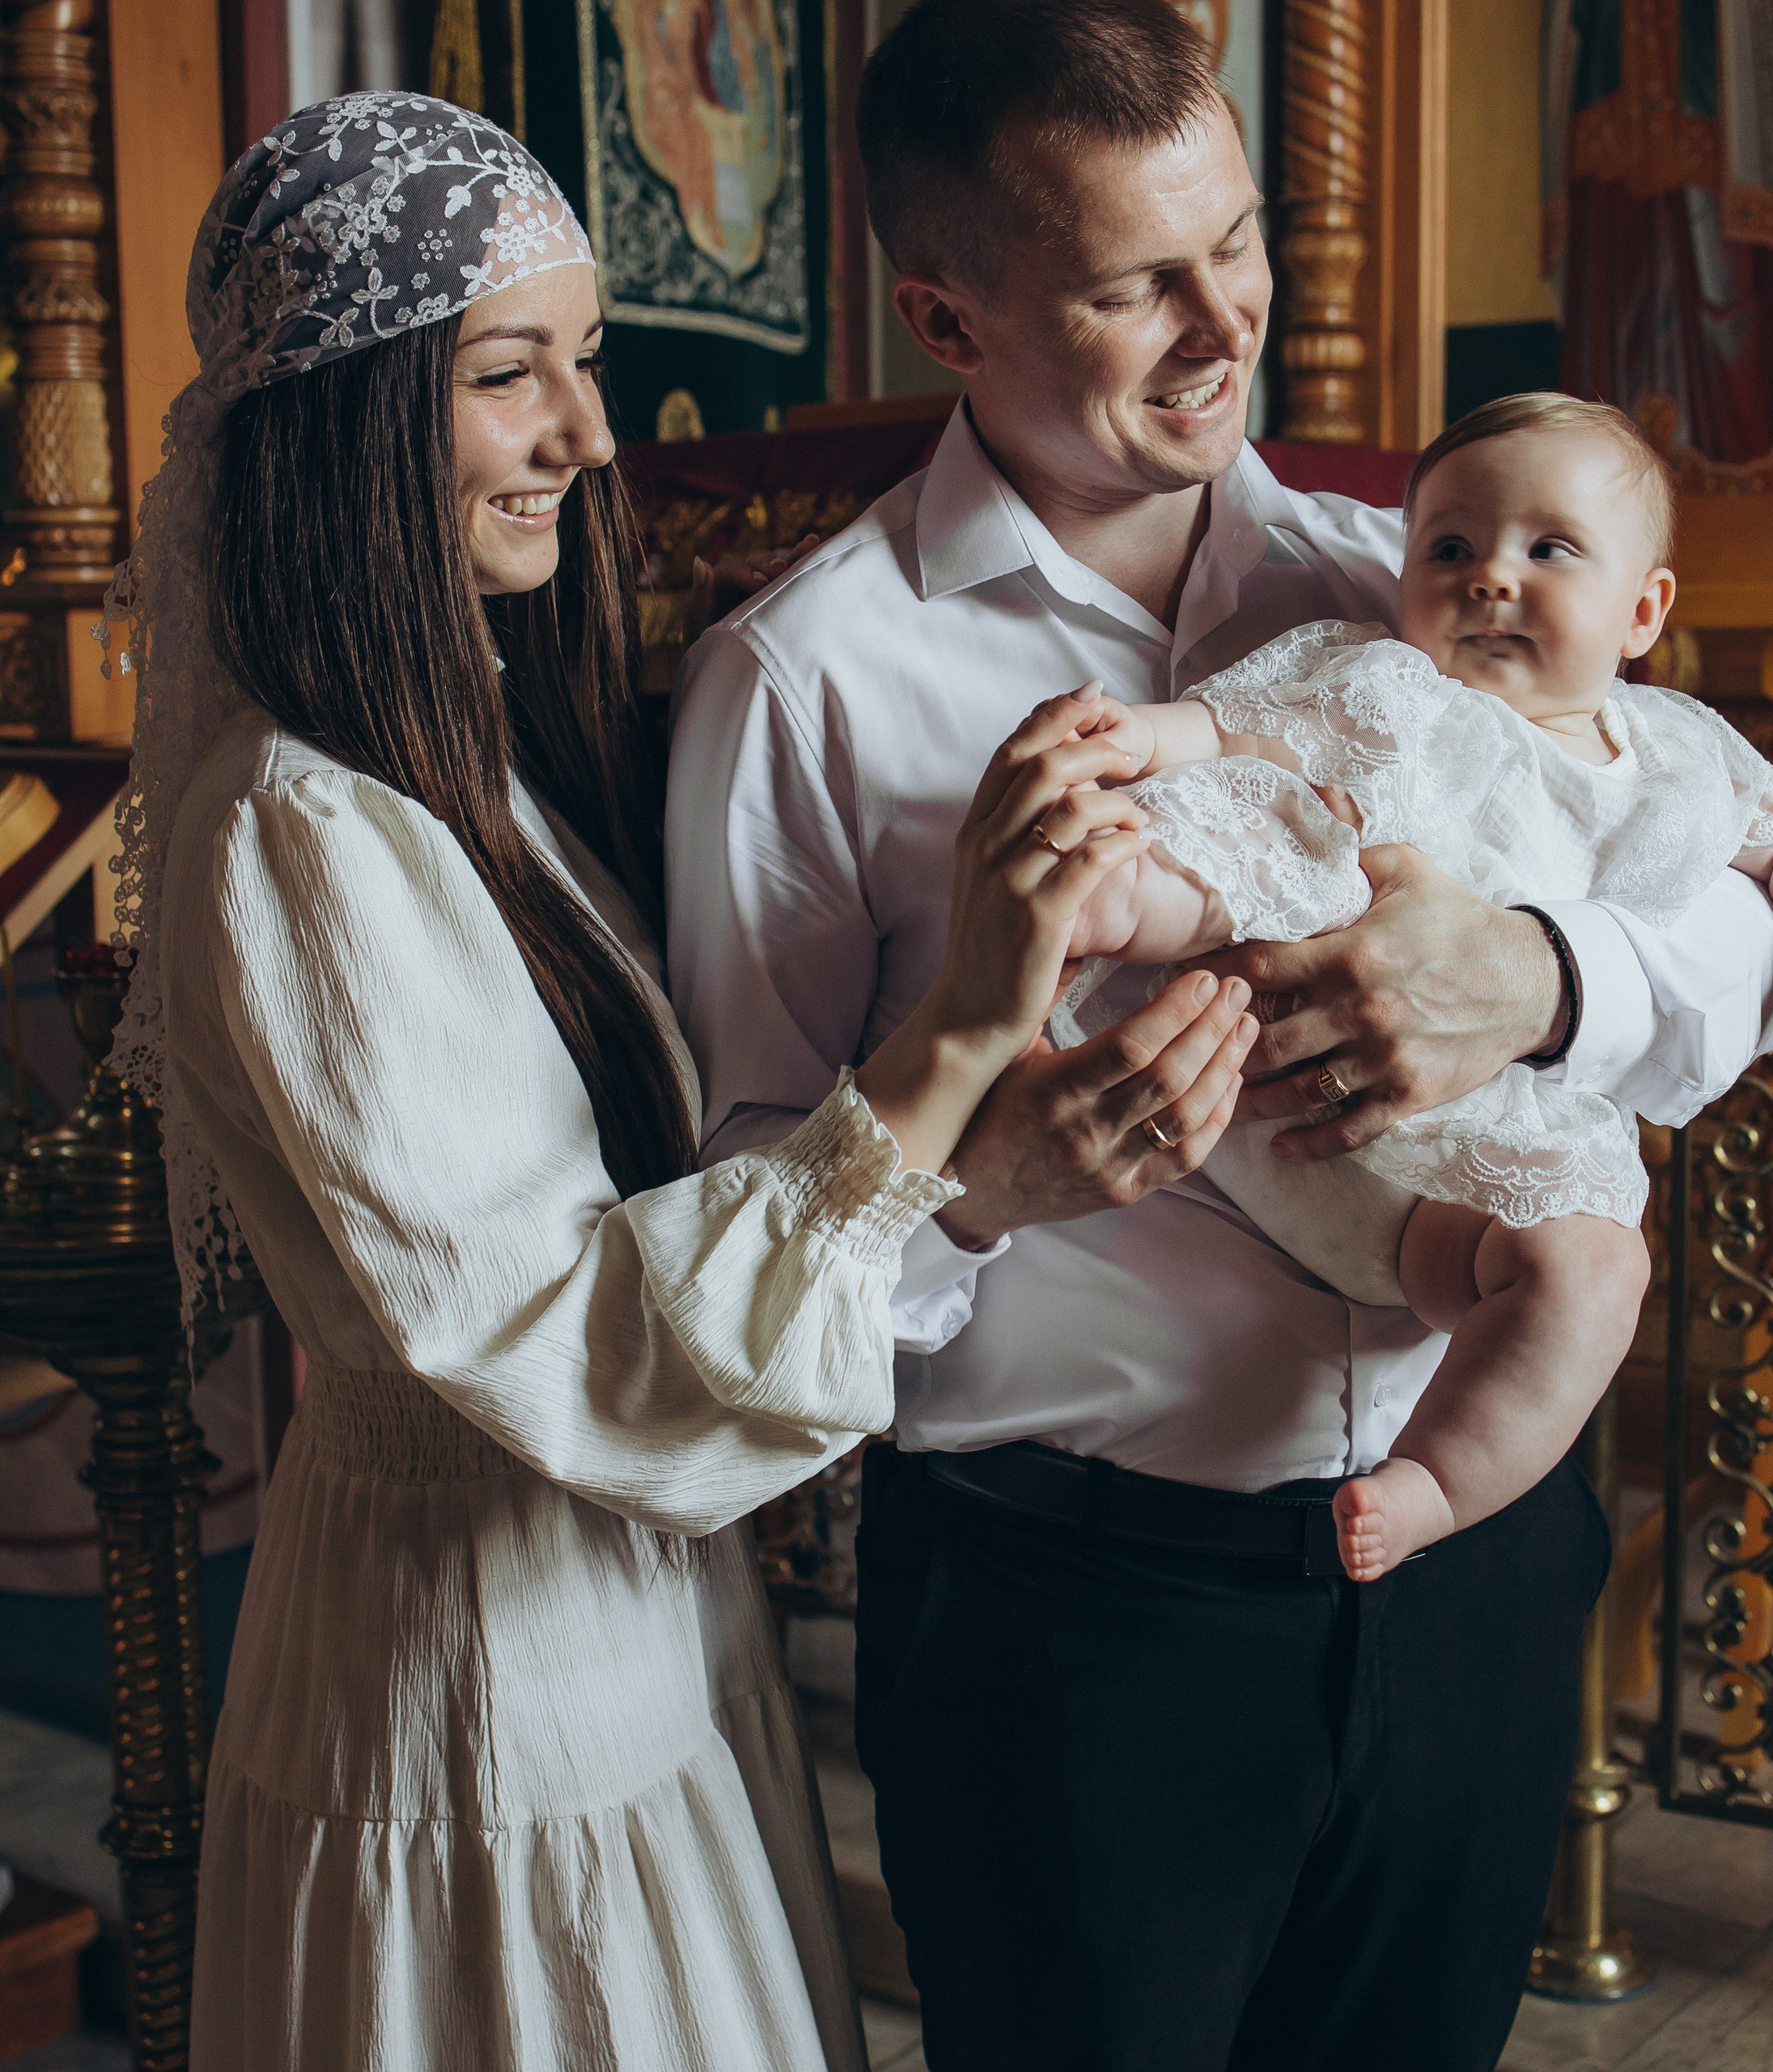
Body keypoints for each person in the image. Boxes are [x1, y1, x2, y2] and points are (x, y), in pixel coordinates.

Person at [667, 5, 1773, 2067]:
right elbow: (740, 1246)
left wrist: (1550, 978)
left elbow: (1755, 935)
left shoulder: (1417, 576)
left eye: (1241, 243)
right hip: (1080, 1618)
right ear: (948, 314)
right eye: (1134, 286)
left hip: (1471, 1567)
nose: (1227, 328)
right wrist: (983, 1186)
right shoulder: (807, 687)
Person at [120, 95, 1173, 2072]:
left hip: (627, 1633)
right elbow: (566, 1332)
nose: (588, 437)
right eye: (509, 376)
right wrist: (950, 1046)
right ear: (343, 420)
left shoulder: (477, 763)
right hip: (476, 1675)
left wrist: (968, 1160)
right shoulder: (298, 832)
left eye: (584, 362)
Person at [1049, 392, 1773, 1582]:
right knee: (1280, 829)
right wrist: (1142, 743)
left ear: (1645, 609)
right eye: (1450, 548)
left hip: (1471, 1198)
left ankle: (1433, 1486)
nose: (1490, 577)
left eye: (1549, 548)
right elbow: (1235, 726)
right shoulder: (1398, 694)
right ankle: (1108, 908)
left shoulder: (1680, 751)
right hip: (1281, 1113)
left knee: (1596, 1270)